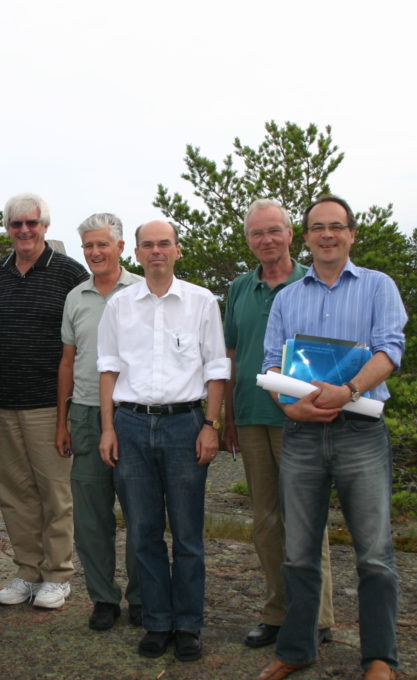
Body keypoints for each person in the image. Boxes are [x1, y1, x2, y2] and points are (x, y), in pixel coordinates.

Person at [256, 196, 407, 680]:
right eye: (317, 227)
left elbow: (390, 351)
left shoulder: (379, 287)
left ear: (351, 234)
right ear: (307, 237)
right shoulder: (287, 298)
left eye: (336, 227)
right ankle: (298, 648)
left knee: (375, 553)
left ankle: (379, 657)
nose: (327, 235)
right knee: (299, 552)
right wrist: (288, 405)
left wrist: (348, 391)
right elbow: (270, 365)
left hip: (360, 431)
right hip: (301, 433)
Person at [97, 220, 229, 662]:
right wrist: (108, 427)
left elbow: (216, 367)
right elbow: (109, 369)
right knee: (144, 532)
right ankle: (157, 622)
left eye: (164, 244)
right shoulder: (119, 305)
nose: (157, 251)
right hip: (131, 425)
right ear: (135, 252)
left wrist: (211, 424)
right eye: (148, 245)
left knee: (188, 533)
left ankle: (188, 625)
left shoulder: (201, 301)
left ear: (177, 250)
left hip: (185, 424)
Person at [222, 199, 335, 649]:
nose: (266, 240)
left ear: (291, 234)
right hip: (252, 415)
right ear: (248, 240)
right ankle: (277, 612)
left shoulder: (314, 284)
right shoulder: (238, 289)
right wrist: (227, 416)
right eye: (256, 234)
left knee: (307, 521)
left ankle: (319, 618)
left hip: (303, 418)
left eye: (274, 231)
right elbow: (231, 355)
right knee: (267, 521)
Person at [0, 193, 89, 610]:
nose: (24, 231)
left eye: (32, 223)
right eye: (16, 224)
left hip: (50, 401)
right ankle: (28, 570)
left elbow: (78, 336)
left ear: (45, 225)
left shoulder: (67, 272)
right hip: (4, 400)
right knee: (14, 491)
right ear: (8, 229)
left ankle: (58, 574)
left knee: (54, 491)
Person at [55, 213, 142, 631]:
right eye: (88, 246)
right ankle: (104, 597)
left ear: (121, 247)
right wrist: (62, 420)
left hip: (134, 412)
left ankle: (143, 596)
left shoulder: (143, 291)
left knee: (140, 512)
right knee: (91, 518)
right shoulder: (76, 297)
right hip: (87, 413)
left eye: (102, 244)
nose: (95, 253)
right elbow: (67, 362)